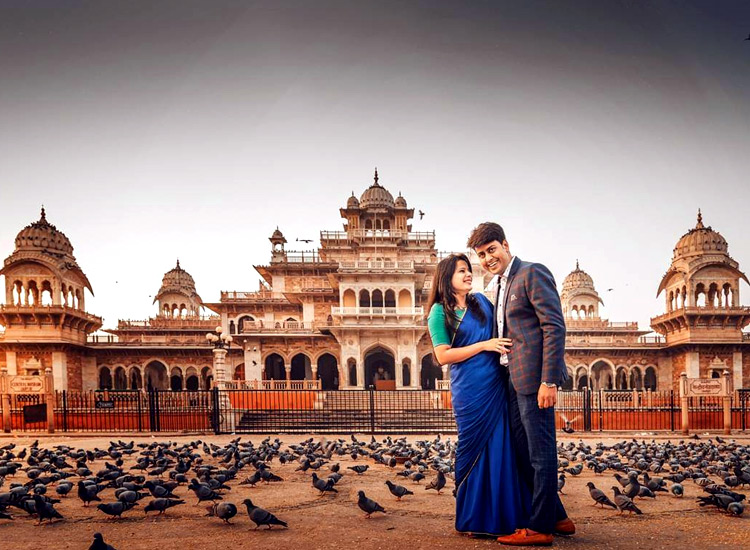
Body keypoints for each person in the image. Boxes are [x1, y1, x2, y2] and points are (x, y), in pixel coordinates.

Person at [468, 222, 574, 546]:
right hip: (514, 380)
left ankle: (540, 527)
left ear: (505, 245)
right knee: (524, 453)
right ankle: (557, 516)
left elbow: (553, 327)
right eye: (482, 254)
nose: (487, 258)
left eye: (491, 250)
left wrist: (549, 380)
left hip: (534, 380)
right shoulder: (500, 285)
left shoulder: (531, 273)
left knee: (541, 454)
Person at [426, 253, 529, 537]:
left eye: (469, 270)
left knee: (501, 446)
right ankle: (475, 518)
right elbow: (443, 356)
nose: (469, 274)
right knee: (473, 448)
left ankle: (505, 517)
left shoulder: (482, 303)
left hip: (494, 384)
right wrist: (484, 345)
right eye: (461, 271)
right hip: (469, 389)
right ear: (447, 277)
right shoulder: (439, 311)